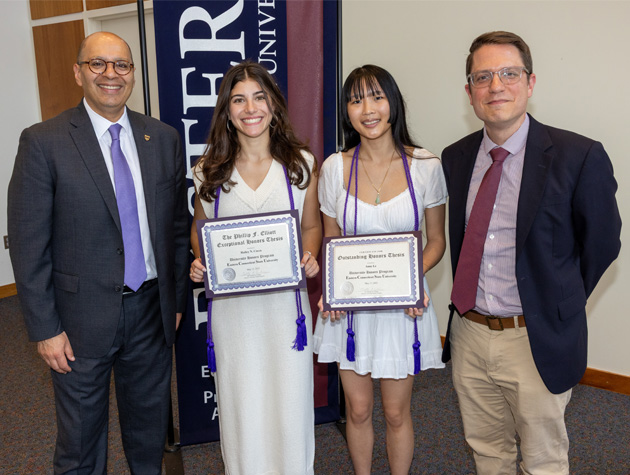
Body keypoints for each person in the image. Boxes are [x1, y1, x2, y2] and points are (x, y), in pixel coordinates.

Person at [7, 32, 189, 473]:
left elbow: (177, 230)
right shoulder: (43, 142)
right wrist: (45, 328)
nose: (111, 74)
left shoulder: (162, 138)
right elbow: (29, 245)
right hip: (77, 320)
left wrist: (176, 301)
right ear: (78, 72)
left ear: (133, 74)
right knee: (81, 445)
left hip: (149, 310)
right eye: (98, 64)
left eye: (122, 65)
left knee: (148, 436)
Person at [441, 31, 622, 474]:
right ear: (469, 93)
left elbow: (602, 242)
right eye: (482, 77)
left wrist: (558, 301)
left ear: (530, 82)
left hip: (534, 336)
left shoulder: (578, 155)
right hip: (469, 332)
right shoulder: (455, 158)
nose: (496, 86)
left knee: (543, 459)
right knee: (487, 451)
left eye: (508, 73)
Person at [189, 61, 321, 474]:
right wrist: (202, 261)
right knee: (242, 404)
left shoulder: (300, 165)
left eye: (259, 98)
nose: (250, 108)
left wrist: (310, 254)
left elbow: (311, 225)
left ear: (274, 106)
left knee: (289, 404)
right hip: (236, 314)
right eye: (238, 100)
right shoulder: (208, 169)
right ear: (226, 111)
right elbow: (200, 228)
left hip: (286, 312)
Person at [314, 65, 447, 475]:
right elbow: (330, 238)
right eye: (355, 100)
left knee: (394, 412)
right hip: (350, 311)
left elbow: (437, 242)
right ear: (346, 112)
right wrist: (331, 290)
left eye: (376, 97)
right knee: (356, 409)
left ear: (393, 103)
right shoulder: (334, 167)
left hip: (402, 308)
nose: (367, 109)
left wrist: (412, 280)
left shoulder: (425, 164)